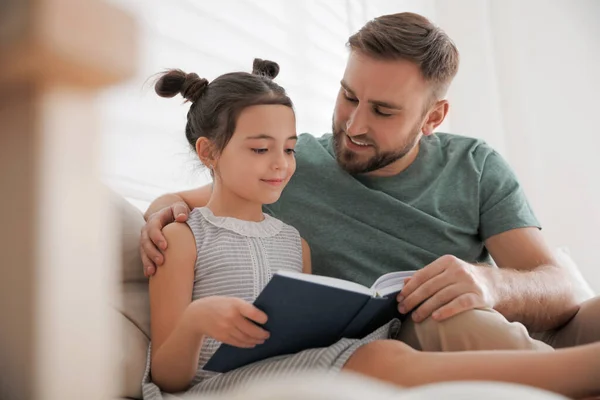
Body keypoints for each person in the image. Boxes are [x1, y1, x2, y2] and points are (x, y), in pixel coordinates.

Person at [141, 58, 600, 400]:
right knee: (387, 356)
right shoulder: (185, 237)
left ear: (433, 117)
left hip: (307, 363)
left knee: (382, 354)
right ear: (208, 152)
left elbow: (558, 285)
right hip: (218, 383)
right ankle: (577, 374)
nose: (281, 165)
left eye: (289, 149)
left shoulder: (290, 239)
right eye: (349, 97)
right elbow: (167, 374)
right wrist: (162, 218)